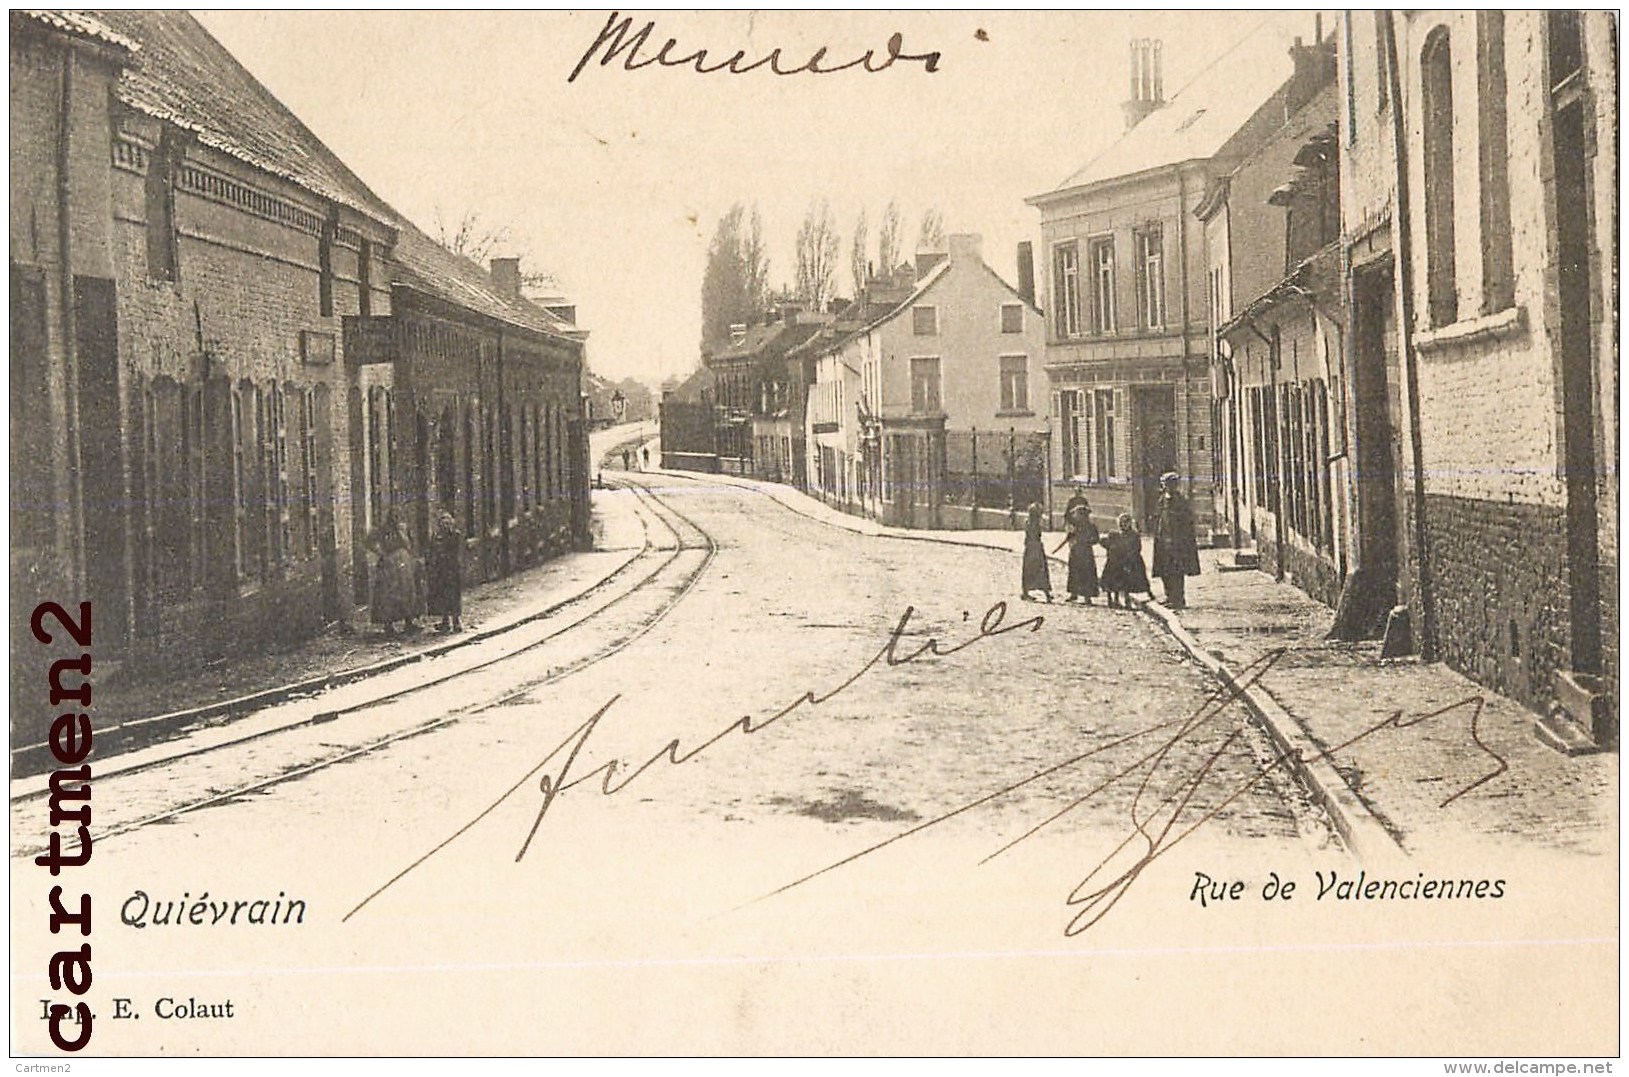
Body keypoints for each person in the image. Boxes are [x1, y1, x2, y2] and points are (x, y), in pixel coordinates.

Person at [368, 509, 423, 635]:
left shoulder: (404, 529)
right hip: (390, 565)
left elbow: (411, 544)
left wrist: (412, 557)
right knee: (389, 594)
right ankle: (388, 625)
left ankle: (408, 622)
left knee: (407, 592)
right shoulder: (382, 529)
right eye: (394, 517)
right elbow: (369, 542)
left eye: (398, 516)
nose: (397, 519)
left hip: (404, 564)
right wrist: (381, 553)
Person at [1150, 471, 1201, 610]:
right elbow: (1158, 516)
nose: (1167, 487)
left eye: (1170, 484)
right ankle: (1169, 596)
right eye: (1165, 484)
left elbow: (1186, 521)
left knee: (1177, 572)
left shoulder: (1180, 501)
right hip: (1162, 541)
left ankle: (1178, 598)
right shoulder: (1162, 499)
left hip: (1176, 543)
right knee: (1165, 571)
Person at [1052, 499, 1100, 604]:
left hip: (1086, 553)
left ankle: (1087, 597)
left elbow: (1096, 539)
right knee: (1074, 573)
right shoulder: (1074, 527)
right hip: (1075, 552)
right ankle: (1074, 594)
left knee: (1086, 574)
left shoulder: (1091, 527)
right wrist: (1057, 549)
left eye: (1077, 514)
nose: (1075, 516)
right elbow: (1067, 538)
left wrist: (1087, 541)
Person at [1099, 512, 1151, 609]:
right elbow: (1104, 542)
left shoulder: (1134, 535)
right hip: (1116, 561)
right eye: (1121, 523)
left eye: (1125, 523)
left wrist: (1130, 557)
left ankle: (1131, 599)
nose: (1123, 525)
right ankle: (1113, 599)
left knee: (1129, 582)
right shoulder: (1115, 534)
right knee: (1113, 580)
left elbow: (1137, 548)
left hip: (1131, 560)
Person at [426, 510, 464, 634]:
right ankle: (446, 622)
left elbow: (453, 551)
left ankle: (456, 621)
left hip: (450, 569)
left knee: (453, 595)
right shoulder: (437, 536)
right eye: (442, 523)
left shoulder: (454, 535)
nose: (445, 525)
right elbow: (432, 551)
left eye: (447, 522)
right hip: (441, 569)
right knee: (443, 596)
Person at [1020, 502, 1053, 602]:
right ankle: (1045, 593)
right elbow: (1034, 535)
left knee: (1030, 570)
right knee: (1040, 570)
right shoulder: (1033, 523)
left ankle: (1026, 592)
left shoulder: (1029, 522)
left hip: (1031, 548)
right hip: (1035, 547)